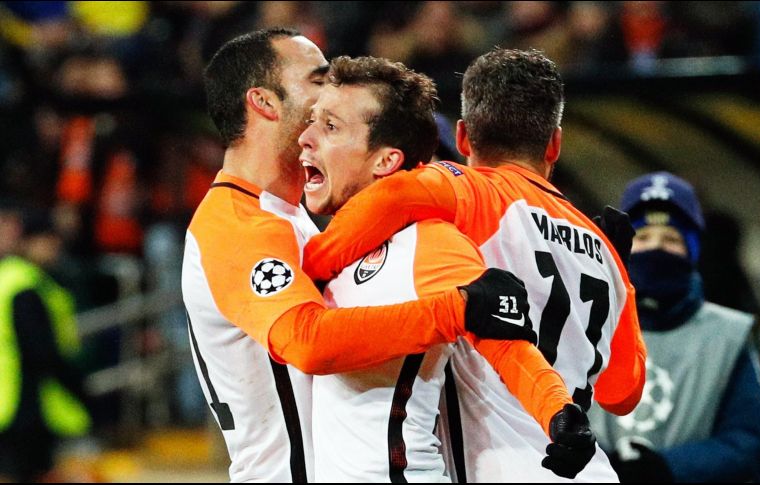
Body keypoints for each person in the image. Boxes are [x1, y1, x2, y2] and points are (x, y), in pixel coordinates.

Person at [185, 29, 546, 482]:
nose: (330, 93)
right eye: (318, 79)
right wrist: (459, 309)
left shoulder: (300, 217)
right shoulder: (236, 223)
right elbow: (308, 342)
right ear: (264, 102)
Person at [301, 48, 647, 482]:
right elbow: (623, 393)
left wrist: (312, 267)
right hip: (587, 469)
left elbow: (391, 198)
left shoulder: (468, 193)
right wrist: (621, 275)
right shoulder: (604, 250)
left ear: (463, 138)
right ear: (555, 144)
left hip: (506, 468)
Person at [587, 172, 760, 483]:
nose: (656, 249)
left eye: (671, 239)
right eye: (643, 238)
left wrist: (668, 467)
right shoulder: (587, 322)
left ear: (693, 251)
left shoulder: (728, 335)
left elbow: (752, 440)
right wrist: (597, 464)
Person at [0, 203, 91, 482]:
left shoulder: (9, 277)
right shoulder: (27, 284)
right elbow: (41, 351)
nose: (55, 248)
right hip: (24, 401)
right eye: (50, 241)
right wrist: (76, 386)